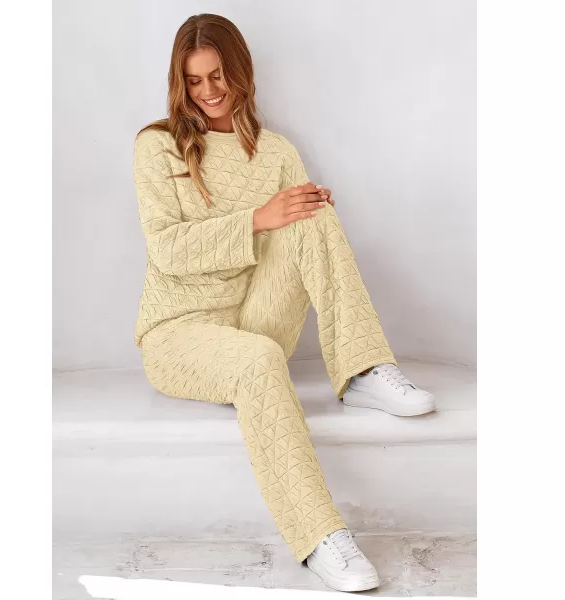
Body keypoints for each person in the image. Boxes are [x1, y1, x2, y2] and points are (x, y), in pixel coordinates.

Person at [132, 13, 436, 593]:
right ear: (179, 83)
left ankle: (362, 368)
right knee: (258, 360)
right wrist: (259, 218)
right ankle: (320, 537)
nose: (209, 91)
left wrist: (298, 211)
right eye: (194, 81)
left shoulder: (275, 151)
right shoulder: (158, 145)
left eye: (218, 75)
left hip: (254, 316)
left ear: (241, 71)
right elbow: (167, 250)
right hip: (180, 333)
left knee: (311, 213)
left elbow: (291, 237)